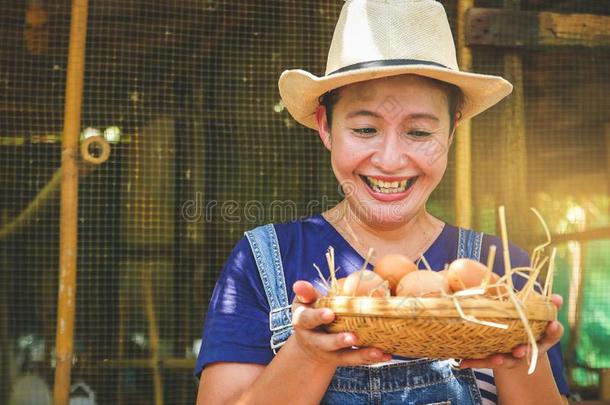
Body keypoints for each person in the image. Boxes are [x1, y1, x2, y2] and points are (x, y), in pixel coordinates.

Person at [195, 0, 570, 403]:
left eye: (420, 133)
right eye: (365, 128)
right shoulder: (263, 260)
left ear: (453, 128)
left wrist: (515, 357)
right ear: (326, 125)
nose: (390, 161)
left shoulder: (502, 275)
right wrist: (306, 354)